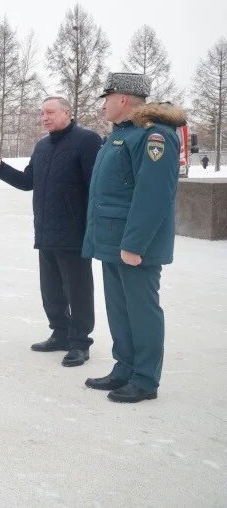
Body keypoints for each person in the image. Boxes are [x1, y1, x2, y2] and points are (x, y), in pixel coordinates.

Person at [83, 73, 185, 403]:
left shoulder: (154, 136)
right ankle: (124, 367)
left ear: (123, 99)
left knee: (141, 310)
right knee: (119, 309)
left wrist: (134, 244)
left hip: (134, 245)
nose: (104, 105)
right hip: (113, 241)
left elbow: (153, 195)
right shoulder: (121, 135)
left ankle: (145, 379)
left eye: (107, 98)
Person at [0, 97, 103, 367]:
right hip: (46, 230)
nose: (44, 117)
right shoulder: (43, 145)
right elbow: (28, 182)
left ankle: (80, 342)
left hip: (74, 231)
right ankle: (60, 333)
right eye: (42, 113)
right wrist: (1, 169)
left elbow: (97, 186)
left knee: (78, 289)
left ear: (67, 113)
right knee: (51, 288)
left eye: (50, 112)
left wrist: (92, 225)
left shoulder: (87, 140)